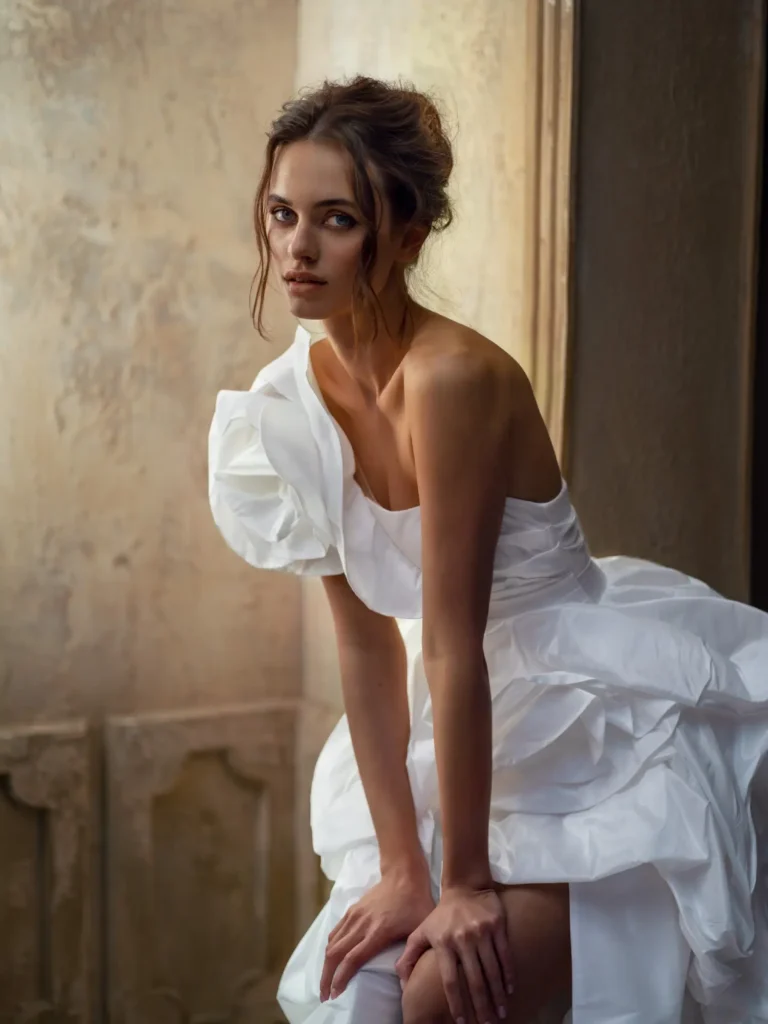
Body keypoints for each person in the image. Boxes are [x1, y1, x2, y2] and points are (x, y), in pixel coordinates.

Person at [208, 76, 768, 1024]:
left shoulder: (453, 379)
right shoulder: (290, 402)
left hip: (578, 717)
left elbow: (452, 637)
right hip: (447, 721)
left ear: (410, 233)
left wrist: (460, 882)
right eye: (282, 214)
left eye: (336, 220)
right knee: (364, 998)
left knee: (443, 1000)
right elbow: (367, 642)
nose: (298, 249)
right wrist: (402, 867)